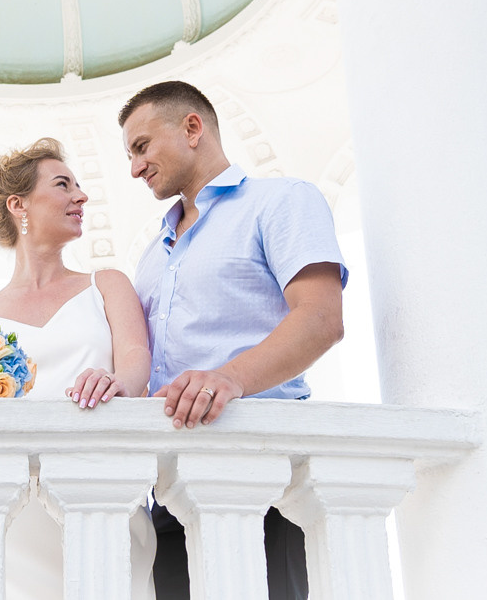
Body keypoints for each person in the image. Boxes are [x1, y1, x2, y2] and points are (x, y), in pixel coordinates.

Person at [119, 81, 347, 600]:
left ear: (192, 128)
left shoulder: (282, 201)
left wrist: (229, 378)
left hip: (261, 480)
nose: (135, 168)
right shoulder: (153, 254)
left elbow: (321, 318)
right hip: (167, 494)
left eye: (141, 147)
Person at [0, 137, 155, 600]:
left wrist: (117, 382)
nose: (80, 196)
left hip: (104, 489)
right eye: (63, 185)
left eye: (80, 187)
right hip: (15, 516)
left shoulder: (106, 284)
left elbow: (135, 361)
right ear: (18, 204)